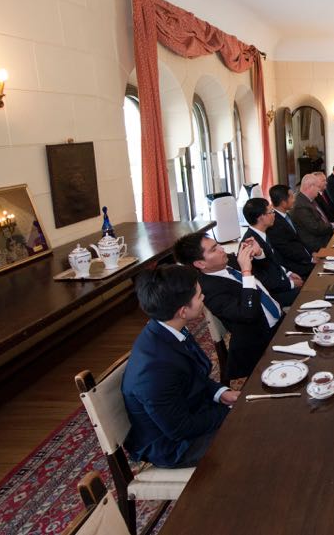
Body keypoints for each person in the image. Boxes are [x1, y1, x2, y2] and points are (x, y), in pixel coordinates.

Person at [121, 265, 239, 469]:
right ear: (183, 311)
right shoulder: (153, 370)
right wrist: (230, 411)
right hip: (176, 445)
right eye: (200, 296)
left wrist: (220, 393)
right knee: (254, 436)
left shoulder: (169, 328)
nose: (204, 298)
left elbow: (194, 375)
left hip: (194, 411)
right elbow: (180, 429)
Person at [174, 233, 284, 380]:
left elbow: (269, 274)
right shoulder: (208, 290)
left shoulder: (229, 260)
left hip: (281, 320)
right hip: (260, 341)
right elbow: (248, 314)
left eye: (218, 244)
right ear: (200, 263)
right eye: (214, 249)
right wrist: (246, 272)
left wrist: (258, 253)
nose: (221, 249)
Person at [242, 197, 303, 307]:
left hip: (281, 281)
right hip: (272, 295)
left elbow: (274, 260)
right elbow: (267, 281)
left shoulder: (262, 234)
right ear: (261, 217)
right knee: (310, 292)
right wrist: (291, 284)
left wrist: (288, 273)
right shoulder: (250, 244)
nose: (274, 214)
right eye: (271, 212)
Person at [267, 184, 315, 279]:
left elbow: (298, 239)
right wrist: (310, 259)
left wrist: (311, 253)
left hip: (303, 258)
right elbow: (287, 250)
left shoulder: (286, 215)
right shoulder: (274, 223)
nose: (294, 200)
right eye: (292, 197)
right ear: (283, 202)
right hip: (294, 266)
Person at [291, 173, 334, 252]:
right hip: (317, 245)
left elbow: (321, 220)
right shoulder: (300, 205)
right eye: (318, 187)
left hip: (325, 237)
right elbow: (315, 228)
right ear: (310, 187)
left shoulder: (309, 199)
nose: (319, 190)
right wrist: (332, 226)